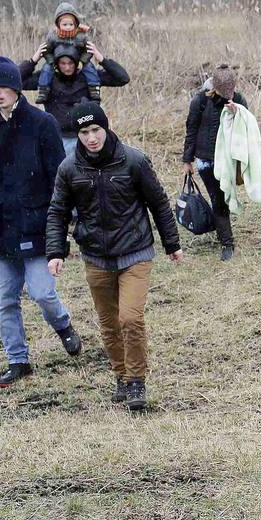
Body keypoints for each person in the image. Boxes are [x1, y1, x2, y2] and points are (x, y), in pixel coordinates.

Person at [45, 103, 183, 411]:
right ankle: (121, 377)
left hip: (135, 251)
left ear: (105, 128)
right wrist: (56, 251)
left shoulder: (133, 161)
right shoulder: (69, 168)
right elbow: (57, 211)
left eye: (96, 130)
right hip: (95, 255)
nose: (91, 138)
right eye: (84, 132)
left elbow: (158, 203)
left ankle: (136, 380)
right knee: (108, 323)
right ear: (77, 135)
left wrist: (171, 243)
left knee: (130, 318)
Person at [0, 56, 82, 387]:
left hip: (38, 225)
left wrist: (65, 221)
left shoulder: (42, 123)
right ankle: (18, 360)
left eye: (4, 85)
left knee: (41, 293)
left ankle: (63, 326)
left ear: (17, 88)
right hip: (1, 229)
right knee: (6, 300)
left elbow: (60, 176)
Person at [19, 29, 130, 152]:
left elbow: (122, 78)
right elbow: (17, 80)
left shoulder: (88, 78)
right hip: (58, 137)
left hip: (86, 137)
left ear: (76, 63)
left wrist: (101, 59)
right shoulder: (47, 80)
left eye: (71, 63)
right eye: (63, 63)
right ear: (56, 63)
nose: (67, 67)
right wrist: (33, 60)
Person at [182, 65, 247, 261]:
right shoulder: (200, 100)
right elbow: (191, 129)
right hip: (205, 161)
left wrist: (238, 113)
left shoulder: (239, 99)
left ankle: (217, 227)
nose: (228, 95)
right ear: (214, 87)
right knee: (218, 199)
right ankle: (227, 243)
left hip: (228, 160)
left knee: (224, 198)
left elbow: (247, 128)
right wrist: (187, 159)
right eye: (223, 92)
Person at [32, 3, 101, 103]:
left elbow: (89, 50)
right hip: (58, 62)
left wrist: (82, 61)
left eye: (71, 24)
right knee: (46, 69)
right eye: (64, 25)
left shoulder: (81, 36)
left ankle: (94, 89)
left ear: (75, 24)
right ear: (58, 25)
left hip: (78, 61)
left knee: (90, 68)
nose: (68, 27)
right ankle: (43, 91)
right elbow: (46, 51)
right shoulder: (53, 36)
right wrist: (52, 62)